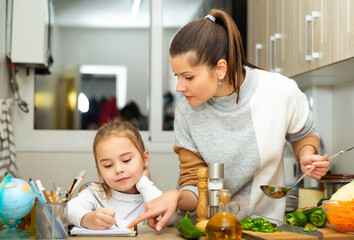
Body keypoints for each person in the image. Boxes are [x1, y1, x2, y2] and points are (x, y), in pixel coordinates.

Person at [128, 9, 330, 231]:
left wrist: (307, 156)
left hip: (263, 227)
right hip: (208, 228)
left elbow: (303, 133)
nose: (179, 87)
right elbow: (194, 182)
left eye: (189, 77)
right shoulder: (186, 111)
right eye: (177, 76)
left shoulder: (279, 90)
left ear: (220, 69)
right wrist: (175, 197)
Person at [68, 119, 164, 229]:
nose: (118, 170)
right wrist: (88, 218)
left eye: (126, 160)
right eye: (108, 165)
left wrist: (144, 183)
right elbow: (68, 210)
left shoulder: (150, 194)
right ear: (99, 170)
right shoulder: (96, 193)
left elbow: (170, 217)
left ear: (144, 159)